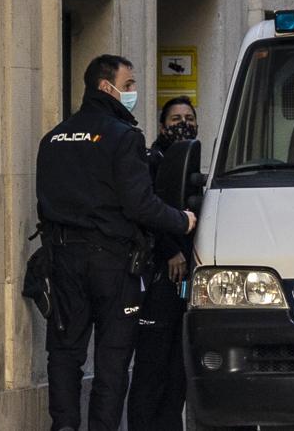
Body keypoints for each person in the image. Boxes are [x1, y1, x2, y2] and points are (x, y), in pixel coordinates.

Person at [35, 54, 196, 431]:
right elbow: (141, 205)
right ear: (105, 87)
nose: (133, 92)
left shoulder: (53, 137)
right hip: (112, 263)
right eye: (128, 85)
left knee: (64, 353)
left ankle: (64, 426)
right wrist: (182, 221)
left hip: (62, 259)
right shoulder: (124, 137)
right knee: (112, 358)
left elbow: (45, 201)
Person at [127, 96, 198, 431]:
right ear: (161, 125)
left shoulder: (192, 162)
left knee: (177, 370)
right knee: (151, 368)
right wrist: (170, 249)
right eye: (175, 118)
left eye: (188, 117)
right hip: (157, 278)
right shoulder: (150, 161)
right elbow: (148, 212)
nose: (183, 123)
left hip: (186, 280)